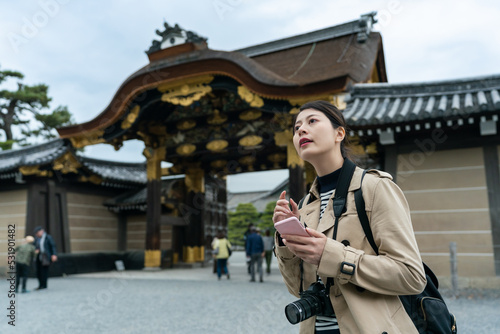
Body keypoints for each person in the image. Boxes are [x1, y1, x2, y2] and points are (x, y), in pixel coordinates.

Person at [273, 100, 426, 333]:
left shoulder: (374, 188)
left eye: (312, 121)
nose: (301, 130)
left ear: (339, 133)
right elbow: (298, 289)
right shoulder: (305, 206)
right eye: (296, 128)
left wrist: (331, 255)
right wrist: (286, 241)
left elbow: (411, 276)